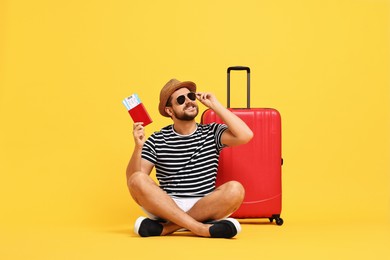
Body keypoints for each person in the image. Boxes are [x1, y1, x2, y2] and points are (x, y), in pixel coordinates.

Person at [126, 78, 253, 238]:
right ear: (170, 111)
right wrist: (138, 147)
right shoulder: (157, 139)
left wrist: (215, 105)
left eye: (191, 97)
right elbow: (135, 179)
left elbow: (246, 135)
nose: (189, 102)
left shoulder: (212, 132)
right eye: (180, 100)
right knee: (137, 179)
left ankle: (168, 228)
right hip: (167, 206)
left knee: (236, 189)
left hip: (205, 205)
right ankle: (201, 229)